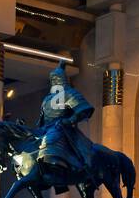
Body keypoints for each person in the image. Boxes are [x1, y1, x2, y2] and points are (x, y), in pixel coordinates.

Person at [34, 60, 96, 190]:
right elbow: (42, 119)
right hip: (46, 128)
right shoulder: (47, 99)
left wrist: (70, 120)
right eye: (53, 79)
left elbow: (84, 110)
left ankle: (59, 176)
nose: (55, 81)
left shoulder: (69, 93)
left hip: (63, 128)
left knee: (51, 140)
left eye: (57, 78)